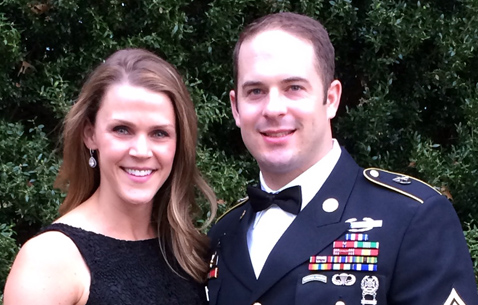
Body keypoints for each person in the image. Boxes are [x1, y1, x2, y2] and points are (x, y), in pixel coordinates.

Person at [207, 12, 478, 305]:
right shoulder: (223, 233)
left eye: (294, 88)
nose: (273, 109)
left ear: (332, 98)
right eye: (256, 91)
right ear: (236, 108)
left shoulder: (412, 218)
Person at [4, 48, 217, 305]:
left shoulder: (191, 252)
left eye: (159, 133)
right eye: (122, 129)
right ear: (90, 135)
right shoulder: (49, 261)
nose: (141, 151)